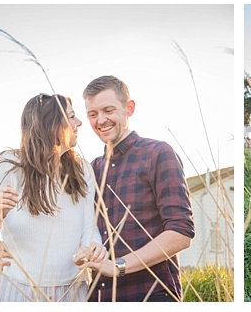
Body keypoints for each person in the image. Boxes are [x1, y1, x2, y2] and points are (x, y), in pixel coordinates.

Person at [0, 93, 106, 302]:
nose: (79, 123)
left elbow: (89, 227)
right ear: (51, 123)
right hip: (17, 289)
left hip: (72, 290)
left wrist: (93, 247)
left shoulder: (82, 169)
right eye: (71, 117)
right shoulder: (9, 165)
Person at [74, 75, 195, 302]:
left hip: (151, 295)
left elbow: (181, 233)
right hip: (99, 298)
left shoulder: (158, 153)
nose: (100, 120)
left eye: (108, 110)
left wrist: (118, 266)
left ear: (129, 108)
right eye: (93, 114)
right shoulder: (92, 170)